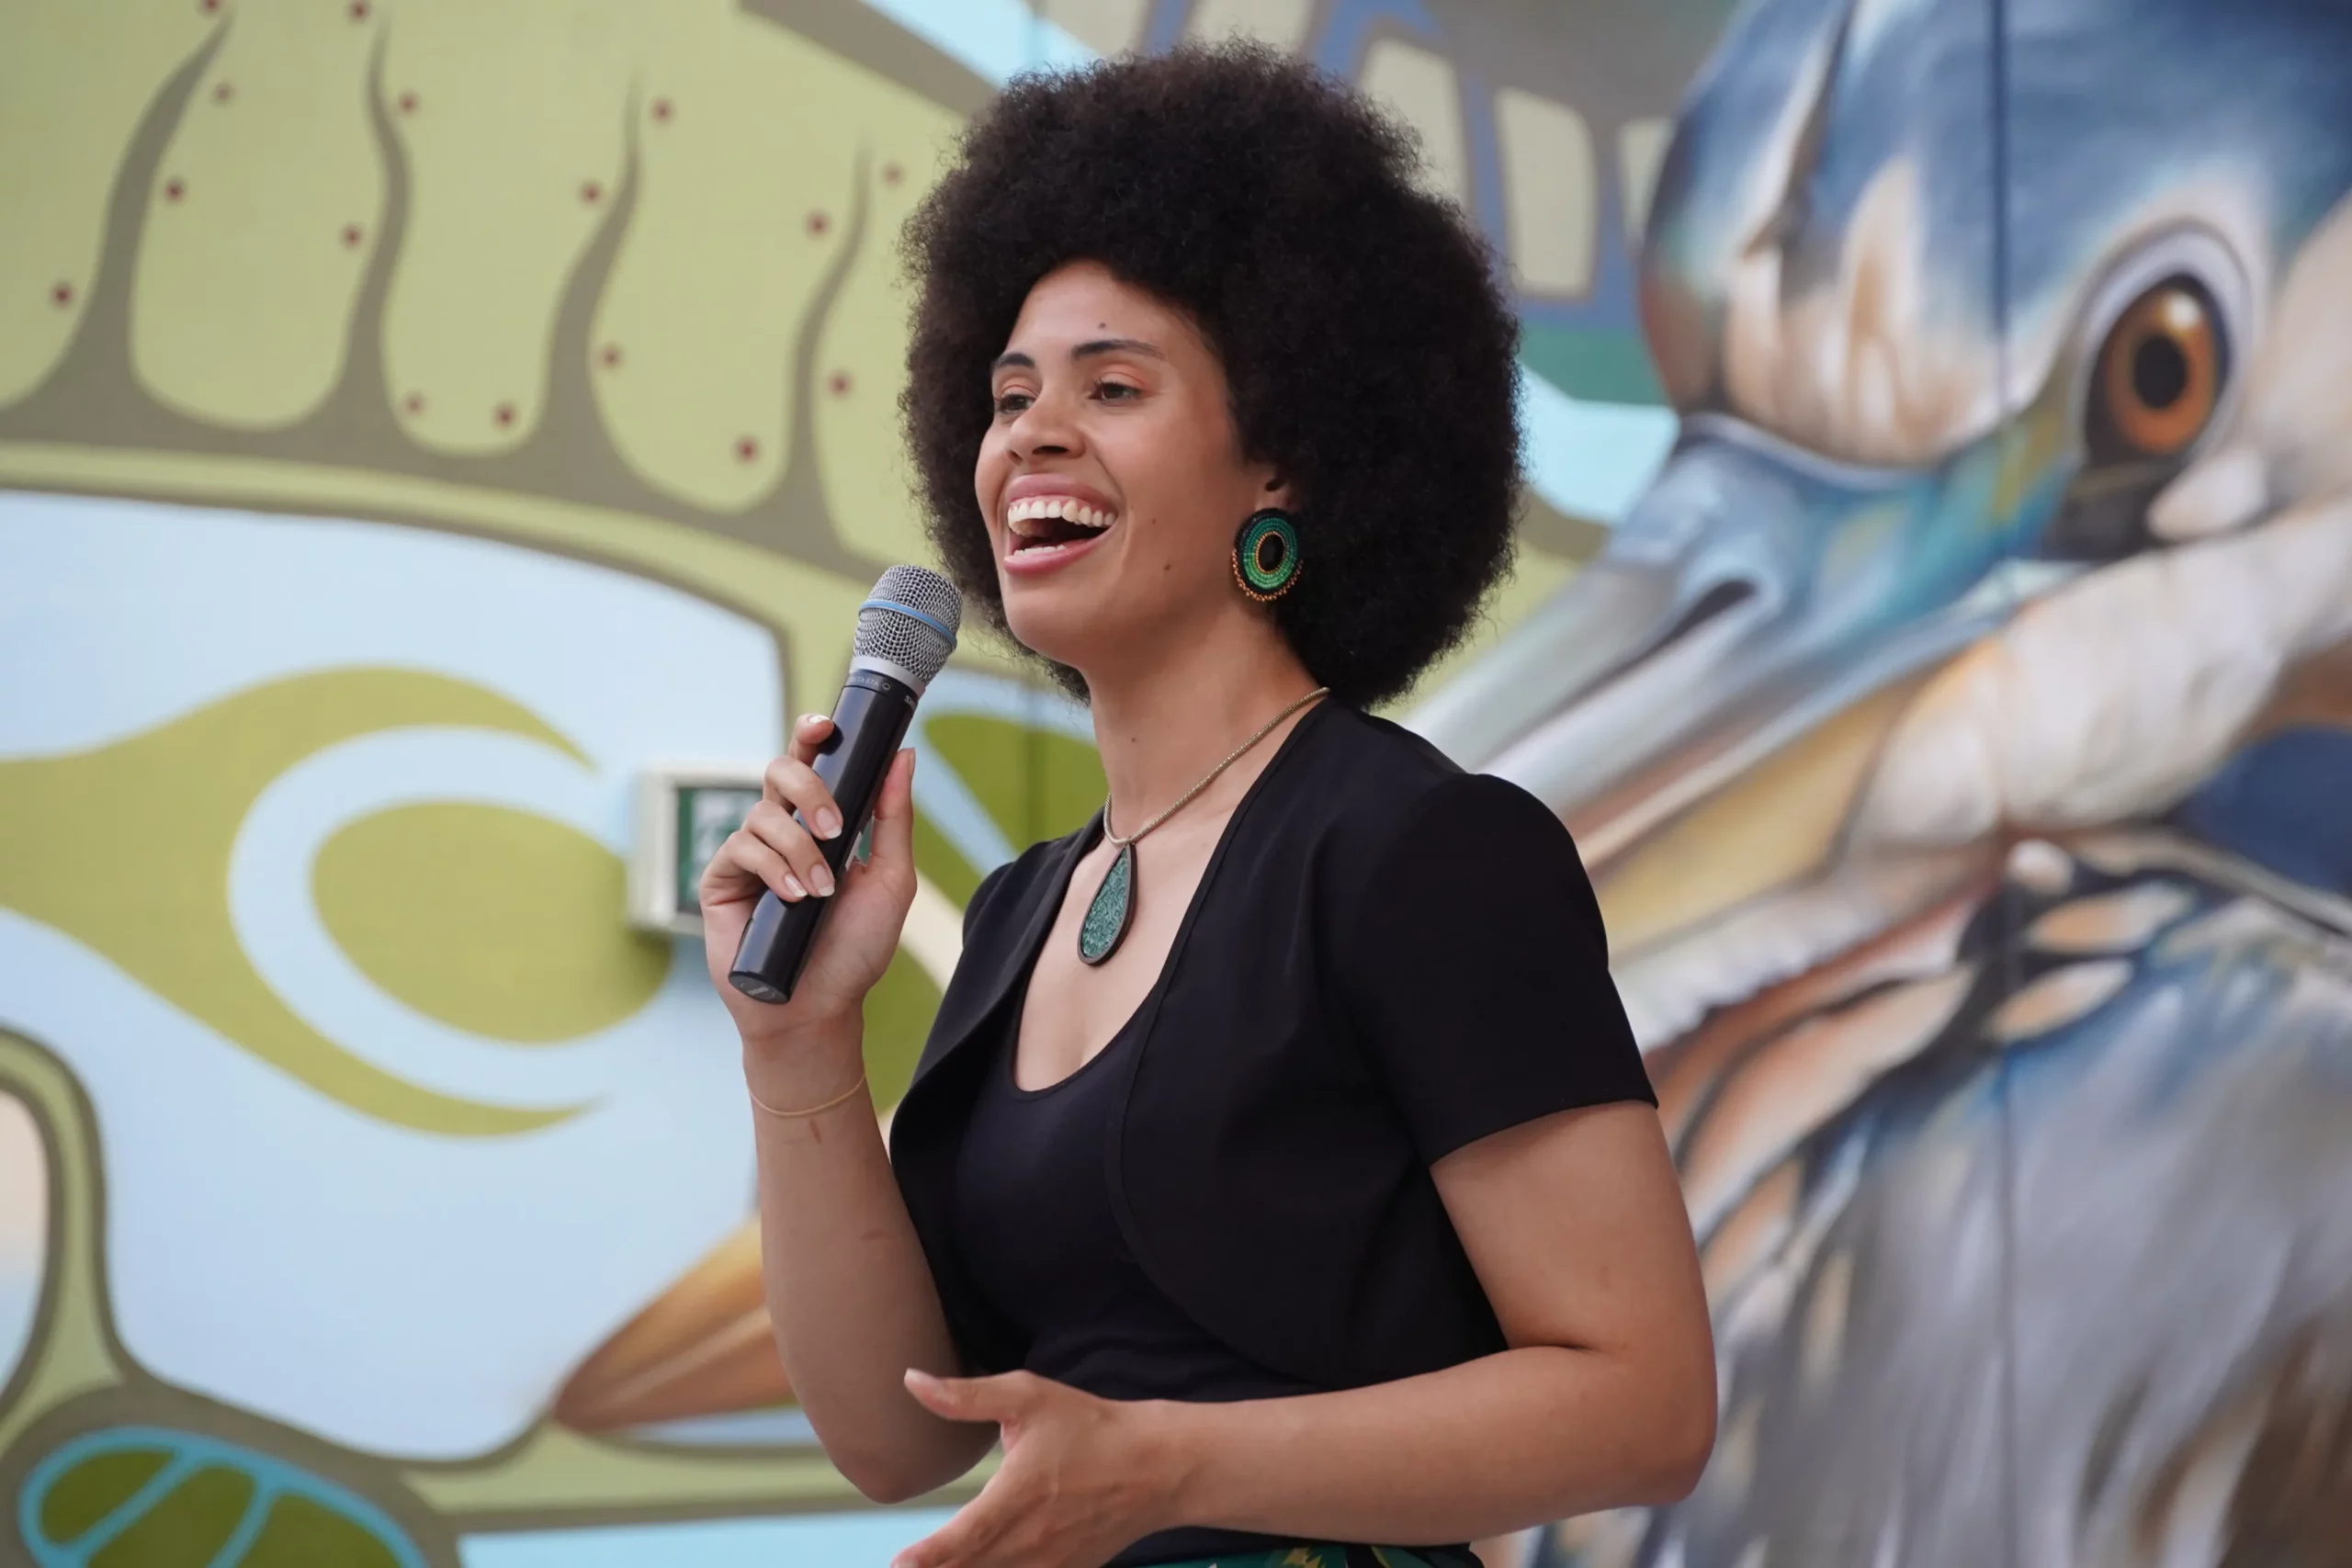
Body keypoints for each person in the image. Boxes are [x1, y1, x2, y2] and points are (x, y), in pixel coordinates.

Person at [695, 43, 1715, 1568]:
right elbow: (897, 1435)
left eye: (1114, 386)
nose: (1032, 433)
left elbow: (1644, 1404)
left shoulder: (1425, 853)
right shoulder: (1020, 909)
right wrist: (796, 1046)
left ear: (1283, 467)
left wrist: (1174, 1464)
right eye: (1009, 394)